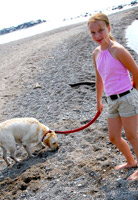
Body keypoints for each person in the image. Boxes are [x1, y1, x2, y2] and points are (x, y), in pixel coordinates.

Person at [88, 12, 138, 181]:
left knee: (131, 135)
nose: (97, 35)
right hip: (111, 101)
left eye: (101, 30)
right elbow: (99, 78)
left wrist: (133, 90)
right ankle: (131, 162)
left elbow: (136, 71)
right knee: (113, 137)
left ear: (109, 28)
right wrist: (98, 101)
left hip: (126, 98)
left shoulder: (117, 50)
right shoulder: (96, 53)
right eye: (93, 33)